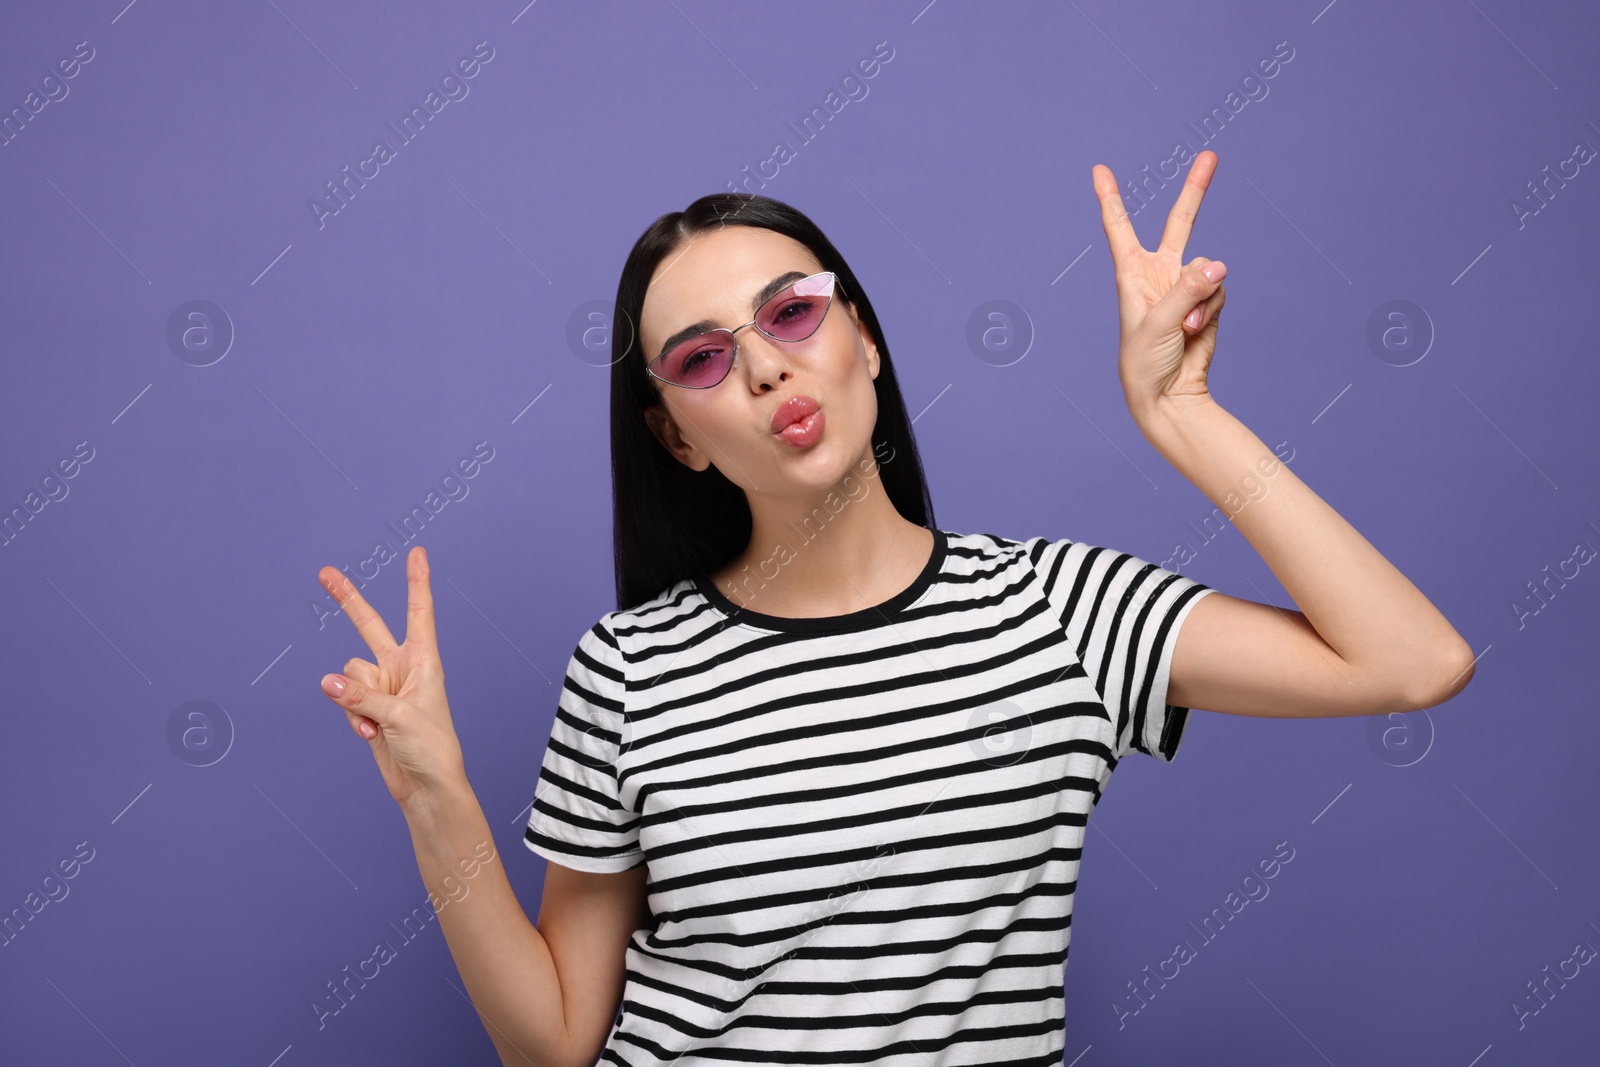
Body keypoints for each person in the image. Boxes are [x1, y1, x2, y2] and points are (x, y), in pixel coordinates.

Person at [315, 150, 1476, 1067]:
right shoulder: (629, 668)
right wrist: (437, 797)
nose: (765, 368)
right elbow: (555, 1041)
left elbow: (1411, 659)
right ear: (677, 437)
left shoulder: (1057, 610)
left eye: (791, 313)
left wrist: (1183, 415)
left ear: (862, 332)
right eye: (704, 359)